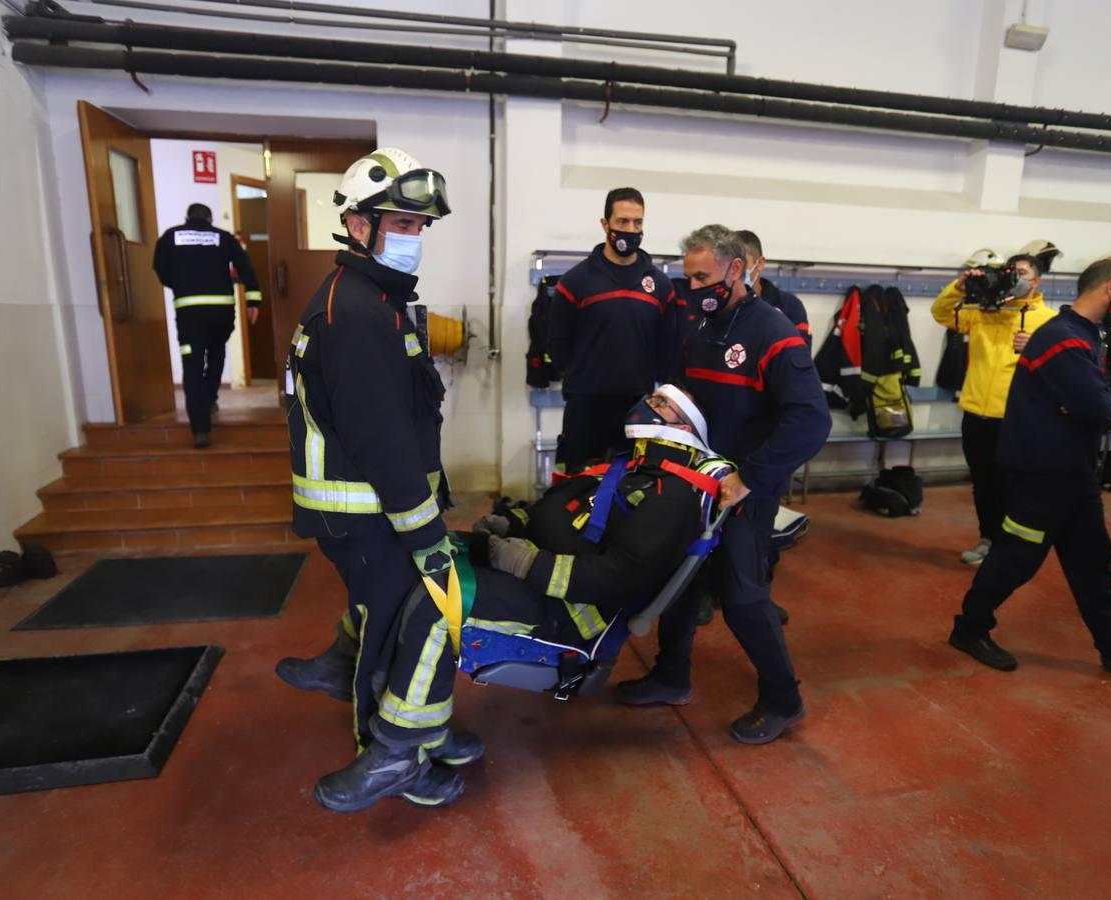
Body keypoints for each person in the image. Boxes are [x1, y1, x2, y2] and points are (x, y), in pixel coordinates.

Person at [277, 385, 730, 810]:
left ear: (687, 428)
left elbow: (620, 579)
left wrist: (524, 564)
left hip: (572, 615)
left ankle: (398, 754)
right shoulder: (624, 467)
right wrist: (512, 525)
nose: (647, 403)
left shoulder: (675, 496)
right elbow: (557, 513)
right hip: (539, 576)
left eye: (662, 402)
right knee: (405, 561)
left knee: (437, 606)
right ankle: (351, 662)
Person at [272, 147, 472, 813]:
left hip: (366, 507)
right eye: (402, 225)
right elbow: (382, 437)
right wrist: (425, 529)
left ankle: (417, 731)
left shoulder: (369, 298)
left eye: (420, 228)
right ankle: (390, 761)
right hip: (368, 510)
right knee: (397, 629)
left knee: (384, 616)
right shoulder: (357, 311)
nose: (415, 239)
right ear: (359, 225)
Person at [617, 224, 831, 745]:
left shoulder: (773, 332)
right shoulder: (702, 325)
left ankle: (784, 699)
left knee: (742, 596)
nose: (692, 288)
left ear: (737, 269)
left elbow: (810, 420)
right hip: (699, 479)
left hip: (745, 490)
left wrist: (749, 477)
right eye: (687, 277)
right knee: (681, 582)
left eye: (702, 277)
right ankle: (672, 675)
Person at [948, 259, 1111, 673]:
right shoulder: (1061, 338)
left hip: (1073, 472)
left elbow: (1108, 395)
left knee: (1093, 560)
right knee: (1014, 559)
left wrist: (1102, 400)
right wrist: (1102, 402)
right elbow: (1097, 406)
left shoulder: (1083, 335)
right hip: (1042, 472)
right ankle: (969, 630)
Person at [931, 252, 1056, 565]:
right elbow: (941, 312)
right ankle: (989, 539)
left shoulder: (1050, 321)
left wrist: (1038, 348)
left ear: (1037, 280)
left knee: (1014, 485)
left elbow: (1063, 368)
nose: (1017, 278)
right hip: (976, 414)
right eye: (1012, 272)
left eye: (1024, 273)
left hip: (1016, 419)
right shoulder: (983, 314)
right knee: (983, 485)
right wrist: (959, 287)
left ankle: (1013, 547)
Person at [548, 187, 677, 471]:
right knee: (577, 490)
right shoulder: (576, 281)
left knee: (631, 491)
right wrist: (586, 376)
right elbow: (558, 344)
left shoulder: (660, 285)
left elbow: (667, 346)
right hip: (586, 408)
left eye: (637, 222)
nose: (631, 229)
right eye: (622, 222)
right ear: (605, 224)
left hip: (638, 407)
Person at [152, 203, 262, 448]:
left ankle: (201, 430)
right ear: (210, 219)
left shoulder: (171, 236)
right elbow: (245, 266)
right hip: (221, 312)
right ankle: (211, 398)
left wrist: (181, 284)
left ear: (186, 217)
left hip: (189, 312)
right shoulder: (223, 237)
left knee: (192, 365)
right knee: (216, 352)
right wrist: (253, 299)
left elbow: (160, 269)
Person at [735, 229, 812, 351]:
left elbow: (800, 354)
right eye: (729, 265)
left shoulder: (789, 306)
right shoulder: (720, 305)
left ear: (760, 263)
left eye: (742, 263)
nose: (735, 271)